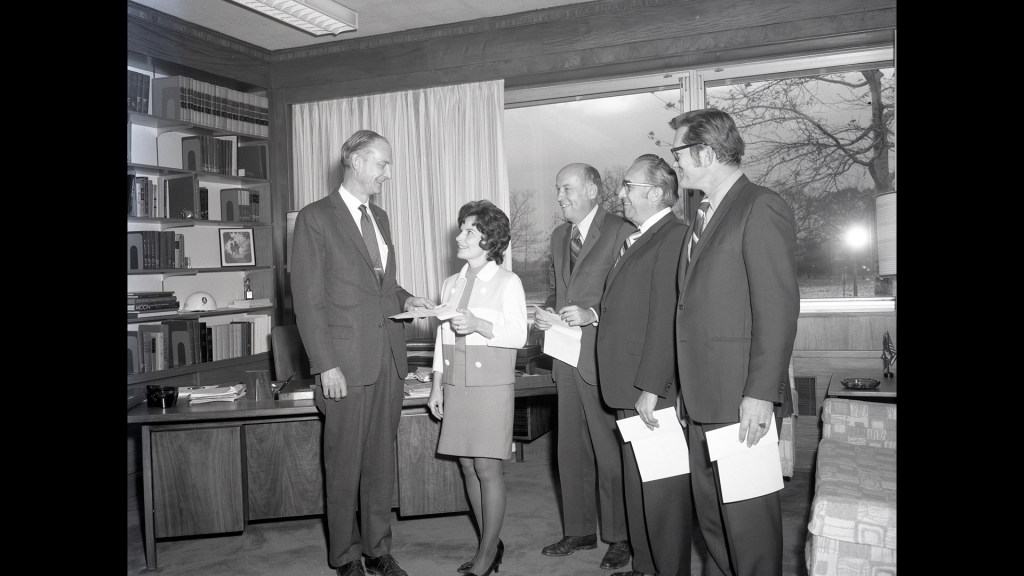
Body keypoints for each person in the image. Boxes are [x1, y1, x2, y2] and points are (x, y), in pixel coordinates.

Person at [290, 129, 435, 576]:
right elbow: (308, 299)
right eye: (382, 164)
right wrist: (325, 364)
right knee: (344, 466)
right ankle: (346, 557)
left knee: (379, 463)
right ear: (355, 160)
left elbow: (383, 287)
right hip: (344, 365)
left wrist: (407, 299)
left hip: (388, 359)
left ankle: (378, 549)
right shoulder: (316, 218)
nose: (388, 174)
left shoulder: (382, 218)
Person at [670, 109, 800, 576]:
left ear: (705, 152)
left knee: (749, 531)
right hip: (703, 398)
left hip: (742, 399)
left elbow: (778, 309)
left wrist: (761, 393)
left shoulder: (759, 205)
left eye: (679, 152)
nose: (676, 163)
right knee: (714, 527)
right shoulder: (702, 214)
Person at [533, 163, 634, 570]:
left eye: (567, 188)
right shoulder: (559, 236)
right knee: (570, 449)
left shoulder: (621, 231)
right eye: (557, 189)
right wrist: (548, 313)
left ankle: (620, 535)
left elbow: (629, 297)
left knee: (609, 453)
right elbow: (559, 291)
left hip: (600, 356)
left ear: (593, 189)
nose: (560, 197)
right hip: (565, 356)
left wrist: (592, 314)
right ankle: (579, 529)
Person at [596, 154, 691, 576]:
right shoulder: (637, 237)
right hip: (628, 383)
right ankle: (645, 568)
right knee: (638, 487)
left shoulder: (674, 236)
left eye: (628, 186)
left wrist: (652, 385)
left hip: (650, 390)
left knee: (663, 495)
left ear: (655, 193)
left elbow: (668, 316)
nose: (621, 194)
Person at [426, 200, 527, 576]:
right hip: (457, 382)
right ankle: (490, 540)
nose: (460, 235)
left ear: (491, 239)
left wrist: (480, 324)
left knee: (487, 467)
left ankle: (486, 553)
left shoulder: (508, 281)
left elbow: (519, 334)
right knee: (467, 466)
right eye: (462, 228)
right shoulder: (451, 283)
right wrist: (437, 386)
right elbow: (441, 338)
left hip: (490, 385)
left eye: (470, 230)